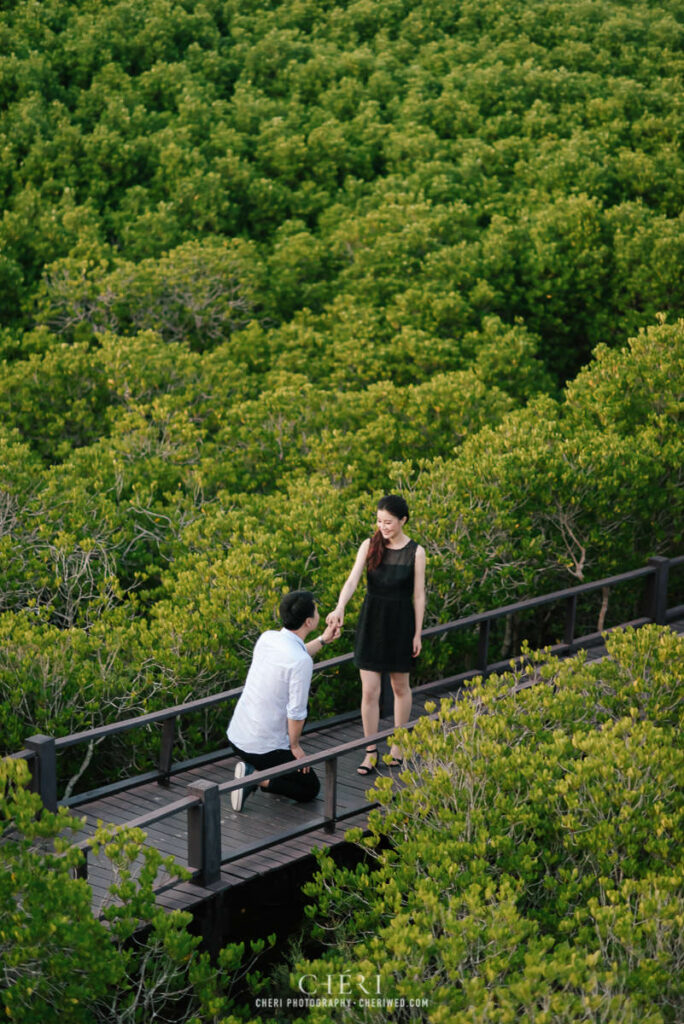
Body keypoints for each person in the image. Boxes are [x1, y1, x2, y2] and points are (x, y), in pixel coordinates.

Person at [327, 495, 426, 774]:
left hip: (401, 623)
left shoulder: (416, 552)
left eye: (389, 522)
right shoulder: (369, 545)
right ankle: (370, 750)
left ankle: (399, 744)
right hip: (371, 622)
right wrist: (340, 606)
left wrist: (417, 632)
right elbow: (352, 580)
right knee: (369, 691)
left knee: (399, 688)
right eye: (380, 521)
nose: (383, 526)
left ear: (403, 520)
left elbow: (419, 596)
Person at [227, 590, 340, 811]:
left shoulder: (268, 637)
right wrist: (295, 747)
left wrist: (323, 640)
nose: (318, 612)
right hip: (262, 748)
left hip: (238, 737)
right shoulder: (300, 662)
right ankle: (254, 778)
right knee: (309, 787)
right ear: (309, 621)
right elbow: (296, 712)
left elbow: (296, 655)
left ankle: (261, 770)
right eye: (316, 610)